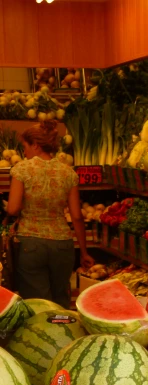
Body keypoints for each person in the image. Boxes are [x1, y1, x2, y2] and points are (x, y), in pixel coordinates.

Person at [7, 121, 94, 308]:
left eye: (25, 147)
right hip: (62, 244)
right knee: (61, 301)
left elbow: (12, 209)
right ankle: (64, 335)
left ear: (36, 145)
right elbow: (77, 216)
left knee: (38, 304)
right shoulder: (68, 173)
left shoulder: (21, 170)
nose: (25, 153)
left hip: (30, 243)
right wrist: (84, 252)